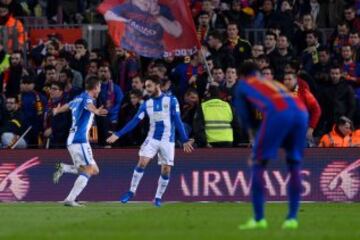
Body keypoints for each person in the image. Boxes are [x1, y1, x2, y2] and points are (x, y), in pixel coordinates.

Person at [233, 62, 308, 230]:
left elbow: (246, 117)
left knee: (258, 162)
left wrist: (255, 135)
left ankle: (259, 219)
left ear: (242, 75)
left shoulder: (244, 85)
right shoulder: (274, 83)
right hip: (302, 112)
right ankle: (292, 219)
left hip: (279, 113)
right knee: (294, 163)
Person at [106, 76, 194, 207]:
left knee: (166, 171)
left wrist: (185, 139)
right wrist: (118, 134)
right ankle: (131, 191)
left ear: (157, 85)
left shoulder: (171, 100)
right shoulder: (147, 104)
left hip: (167, 141)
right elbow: (135, 121)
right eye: (146, 86)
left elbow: (177, 120)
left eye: (149, 86)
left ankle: (158, 197)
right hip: (152, 139)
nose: (146, 89)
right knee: (142, 162)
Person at [52, 76, 108, 207]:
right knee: (88, 169)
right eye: (99, 86)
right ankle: (70, 199)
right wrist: (96, 111)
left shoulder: (78, 98)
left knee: (94, 170)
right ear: (95, 88)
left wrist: (57, 110)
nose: (100, 89)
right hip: (79, 140)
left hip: (73, 140)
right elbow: (89, 106)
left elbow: (67, 106)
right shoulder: (88, 98)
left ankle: (64, 168)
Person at [104, 0, 183, 58]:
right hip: (134, 52)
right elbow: (108, 14)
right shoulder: (128, 7)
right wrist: (127, 21)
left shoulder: (162, 10)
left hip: (155, 53)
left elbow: (177, 32)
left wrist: (158, 16)